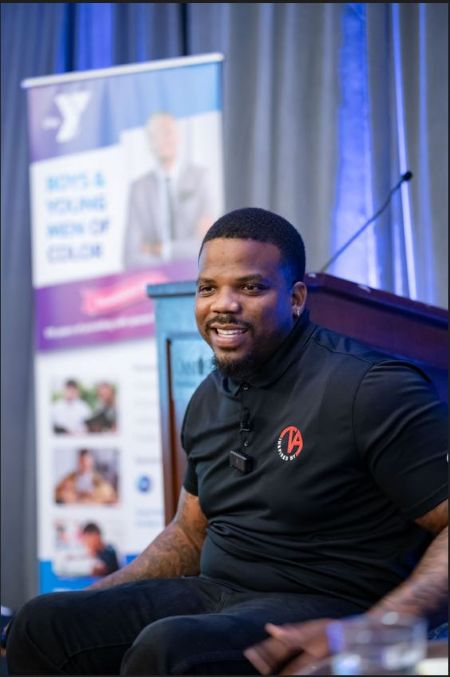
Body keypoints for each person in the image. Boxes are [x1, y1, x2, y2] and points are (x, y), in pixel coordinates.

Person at [5, 207, 447, 675]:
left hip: (328, 604)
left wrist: (379, 628)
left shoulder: (371, 387)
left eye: (250, 287)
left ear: (296, 298)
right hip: (217, 594)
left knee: (171, 646)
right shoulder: (208, 395)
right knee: (43, 621)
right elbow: (190, 533)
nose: (223, 304)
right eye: (208, 288)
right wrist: (95, 599)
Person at [122, 111, 215, 269]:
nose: (162, 140)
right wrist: (166, 266)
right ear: (149, 143)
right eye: (155, 135)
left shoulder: (201, 178)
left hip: (197, 275)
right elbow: (131, 255)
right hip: (154, 278)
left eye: (167, 133)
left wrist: (160, 249)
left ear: (178, 137)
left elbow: (208, 247)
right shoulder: (139, 188)